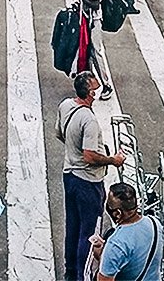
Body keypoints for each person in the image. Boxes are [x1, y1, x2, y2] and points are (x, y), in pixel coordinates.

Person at [57, 71, 124, 281]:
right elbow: (89, 156)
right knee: (90, 235)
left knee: (73, 228)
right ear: (90, 94)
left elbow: (60, 134)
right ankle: (83, 277)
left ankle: (70, 274)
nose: (98, 91)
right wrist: (113, 160)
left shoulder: (66, 105)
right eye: (96, 88)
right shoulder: (89, 121)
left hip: (69, 176)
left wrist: (74, 152)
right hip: (89, 183)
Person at [89, 183, 164, 281]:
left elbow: (105, 278)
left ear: (118, 213)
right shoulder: (154, 223)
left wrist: (100, 254)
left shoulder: (115, 245)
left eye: (108, 205)